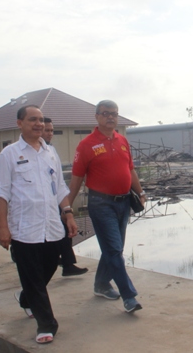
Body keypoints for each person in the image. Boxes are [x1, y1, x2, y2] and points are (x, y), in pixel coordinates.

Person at [0, 105, 78, 345]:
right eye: (33, 120)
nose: (39, 124)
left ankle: (26, 299)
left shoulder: (50, 152)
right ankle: (46, 324)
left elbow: (60, 187)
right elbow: (1, 192)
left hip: (51, 225)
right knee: (31, 276)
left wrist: (68, 214)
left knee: (49, 267)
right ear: (20, 123)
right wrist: (2, 227)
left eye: (41, 120)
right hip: (23, 228)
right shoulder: (9, 154)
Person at [67, 100, 146, 313]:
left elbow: (130, 170)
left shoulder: (122, 140)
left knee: (114, 248)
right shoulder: (86, 145)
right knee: (113, 249)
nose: (111, 117)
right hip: (100, 204)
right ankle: (129, 296)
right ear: (97, 117)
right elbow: (76, 179)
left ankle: (101, 284)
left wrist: (140, 192)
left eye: (114, 114)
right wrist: (67, 209)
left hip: (123, 203)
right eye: (106, 113)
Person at [42, 117, 89, 277]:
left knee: (66, 229)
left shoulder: (51, 150)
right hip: (41, 202)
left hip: (56, 199)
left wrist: (66, 207)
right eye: (46, 130)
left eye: (51, 131)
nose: (49, 134)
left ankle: (68, 264)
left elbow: (59, 180)